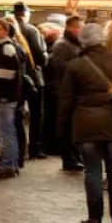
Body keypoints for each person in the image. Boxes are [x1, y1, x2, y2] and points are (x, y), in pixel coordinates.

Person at [56, 21, 112, 223]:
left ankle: (95, 218)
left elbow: (65, 100)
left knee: (93, 172)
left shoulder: (75, 65)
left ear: (83, 41)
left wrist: (61, 128)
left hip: (86, 125)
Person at [0, 19, 23, 179]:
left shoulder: (6, 48)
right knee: (6, 131)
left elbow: (7, 76)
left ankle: (7, 165)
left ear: (6, 31)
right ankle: (9, 162)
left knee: (6, 132)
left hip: (4, 97)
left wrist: (0, 94)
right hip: (4, 96)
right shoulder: (4, 47)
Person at [47, 16, 84, 172]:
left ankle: (75, 156)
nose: (82, 31)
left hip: (71, 91)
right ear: (71, 28)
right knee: (67, 127)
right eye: (80, 28)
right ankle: (69, 159)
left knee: (73, 127)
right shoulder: (63, 46)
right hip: (64, 91)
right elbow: (61, 68)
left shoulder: (72, 44)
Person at [13, 2, 48, 160]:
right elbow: (40, 56)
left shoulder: (10, 28)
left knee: (17, 113)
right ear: (25, 14)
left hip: (17, 78)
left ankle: (18, 149)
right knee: (36, 114)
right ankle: (35, 148)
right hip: (33, 77)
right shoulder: (31, 30)